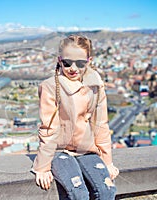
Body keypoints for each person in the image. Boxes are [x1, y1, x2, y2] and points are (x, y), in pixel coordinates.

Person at [31, 35, 119, 200]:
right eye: (67, 62)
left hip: (86, 149)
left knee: (107, 190)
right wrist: (42, 168)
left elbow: (101, 124)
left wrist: (107, 161)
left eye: (80, 63)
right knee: (79, 194)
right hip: (59, 149)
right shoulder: (50, 87)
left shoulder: (96, 85)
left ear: (89, 61)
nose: (73, 68)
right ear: (59, 60)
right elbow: (49, 128)